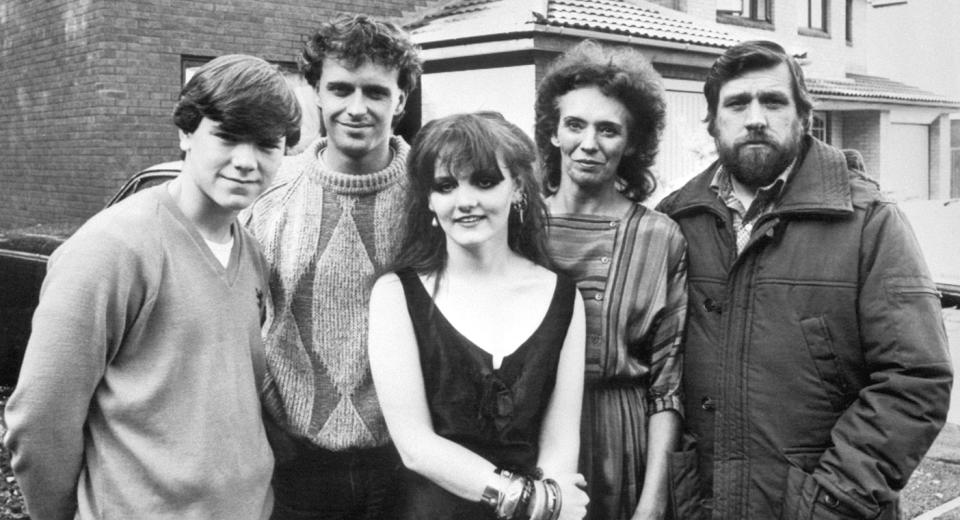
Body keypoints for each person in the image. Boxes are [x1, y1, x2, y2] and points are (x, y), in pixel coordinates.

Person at [656, 40, 953, 519]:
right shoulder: (676, 222)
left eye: (773, 101)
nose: (756, 117)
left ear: (803, 116)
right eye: (737, 103)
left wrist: (831, 502)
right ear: (711, 122)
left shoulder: (869, 222)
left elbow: (916, 379)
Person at [3, 54, 301, 520]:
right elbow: (40, 421)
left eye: (267, 144)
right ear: (185, 132)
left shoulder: (253, 253)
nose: (246, 161)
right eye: (226, 136)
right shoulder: (111, 249)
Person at [240, 15, 422, 520]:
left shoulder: (437, 198)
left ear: (400, 101)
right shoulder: (266, 195)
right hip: (294, 468)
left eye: (376, 92)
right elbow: (235, 327)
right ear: (314, 92)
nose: (356, 108)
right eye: (340, 89)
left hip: (406, 468)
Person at [368, 111, 590, 520]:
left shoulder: (563, 297)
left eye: (484, 181)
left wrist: (549, 506)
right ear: (429, 200)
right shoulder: (396, 294)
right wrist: (527, 500)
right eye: (446, 185)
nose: (465, 200)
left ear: (518, 187)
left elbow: (560, 446)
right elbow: (415, 445)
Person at [533, 41, 688, 520]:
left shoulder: (659, 238)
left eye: (608, 129)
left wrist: (652, 504)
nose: (589, 143)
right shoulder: (518, 227)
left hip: (621, 446)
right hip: (526, 438)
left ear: (632, 143)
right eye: (575, 124)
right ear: (553, 132)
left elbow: (668, 387)